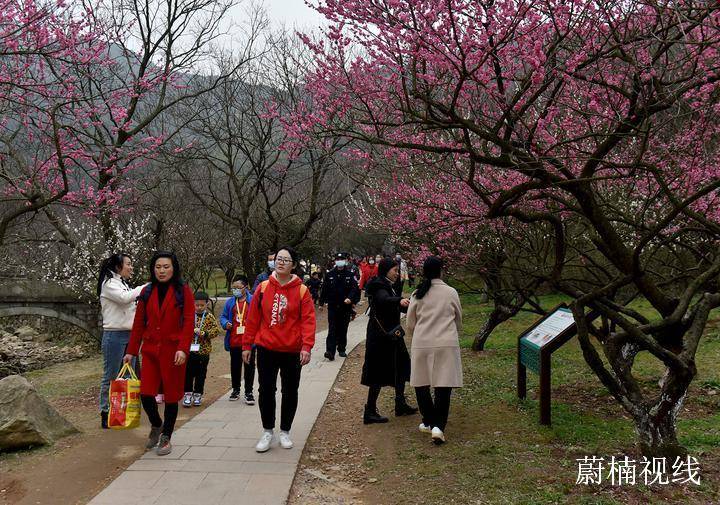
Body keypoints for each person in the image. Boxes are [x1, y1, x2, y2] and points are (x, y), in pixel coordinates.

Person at [242, 246, 316, 453]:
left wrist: (306, 346)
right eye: (278, 259)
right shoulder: (264, 287)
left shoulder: (302, 290)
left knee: (290, 391)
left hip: (292, 350)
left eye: (286, 259)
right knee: (265, 390)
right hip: (266, 348)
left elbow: (308, 320)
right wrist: (247, 345)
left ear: (293, 265)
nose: (281, 262)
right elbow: (252, 319)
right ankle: (267, 431)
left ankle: (285, 431)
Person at [123, 251, 194, 456]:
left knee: (171, 396)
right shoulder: (147, 291)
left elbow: (189, 321)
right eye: (158, 267)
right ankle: (156, 424)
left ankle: (166, 437)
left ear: (174, 268)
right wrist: (131, 351)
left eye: (166, 267)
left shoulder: (183, 291)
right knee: (146, 394)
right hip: (151, 350)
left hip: (173, 352)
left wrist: (183, 348)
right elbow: (138, 324)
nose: (161, 271)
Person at [408, 257, 463, 444]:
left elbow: (410, 323)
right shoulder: (451, 292)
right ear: (441, 271)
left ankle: (429, 420)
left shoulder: (417, 293)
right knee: (443, 385)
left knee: (421, 383)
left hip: (422, 341)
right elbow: (458, 319)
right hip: (446, 342)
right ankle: (438, 426)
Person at [361, 258, 417, 424]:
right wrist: (398, 300)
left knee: (401, 366)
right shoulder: (379, 285)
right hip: (381, 337)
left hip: (392, 335)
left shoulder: (388, 285)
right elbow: (383, 300)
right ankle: (369, 411)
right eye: (394, 270)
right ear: (386, 270)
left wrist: (411, 304)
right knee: (377, 372)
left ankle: (400, 403)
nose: (397, 273)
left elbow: (394, 304)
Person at [97, 253, 147, 429]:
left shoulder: (123, 284)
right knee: (110, 375)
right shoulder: (109, 284)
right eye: (128, 264)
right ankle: (105, 412)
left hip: (130, 335)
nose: (131, 267)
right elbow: (125, 298)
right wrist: (145, 287)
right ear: (118, 266)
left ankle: (122, 412)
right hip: (114, 335)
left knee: (128, 375)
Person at [220, 274, 255, 403]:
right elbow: (223, 316)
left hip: (249, 341)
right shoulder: (230, 302)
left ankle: (249, 391)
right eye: (233, 287)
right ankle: (235, 390)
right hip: (234, 340)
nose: (235, 290)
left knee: (249, 366)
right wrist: (225, 323)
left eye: (238, 287)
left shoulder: (252, 300)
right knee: (235, 366)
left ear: (245, 287)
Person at [183, 291, 221, 408]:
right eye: (196, 305)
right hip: (189, 351)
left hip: (203, 351)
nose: (199, 307)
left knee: (201, 374)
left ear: (206, 304)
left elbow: (216, 331)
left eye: (202, 305)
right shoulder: (188, 316)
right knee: (188, 373)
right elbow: (181, 329)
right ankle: (187, 394)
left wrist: (204, 333)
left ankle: (198, 394)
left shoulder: (209, 317)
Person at [320, 252, 360, 361]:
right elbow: (325, 289)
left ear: (345, 260)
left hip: (345, 307)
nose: (339, 261)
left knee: (343, 328)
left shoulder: (350, 275)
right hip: (333, 306)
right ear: (335, 261)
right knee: (332, 329)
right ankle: (330, 351)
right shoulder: (330, 275)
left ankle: (341, 348)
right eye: (337, 259)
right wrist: (321, 303)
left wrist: (350, 299)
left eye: (341, 259)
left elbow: (354, 289)